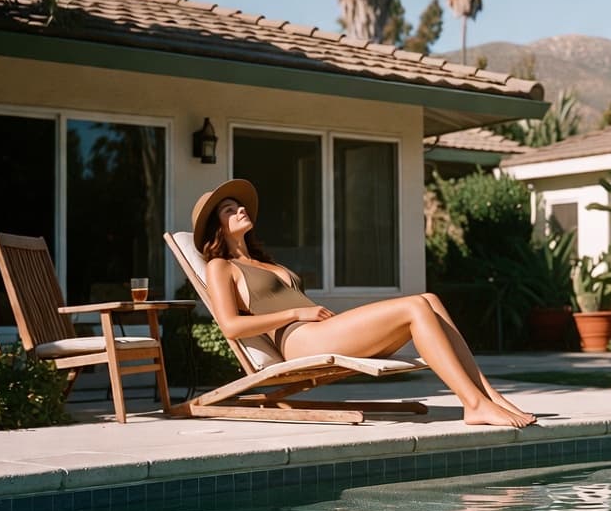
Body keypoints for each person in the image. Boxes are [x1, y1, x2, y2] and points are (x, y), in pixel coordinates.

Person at [192, 179, 535, 428]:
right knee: (415, 306)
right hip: (299, 340)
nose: (239, 210)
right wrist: (297, 311)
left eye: (240, 206)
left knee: (430, 299)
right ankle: (473, 404)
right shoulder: (220, 266)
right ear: (216, 227)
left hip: (320, 331)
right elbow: (230, 326)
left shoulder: (265, 262)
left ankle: (488, 395)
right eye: (228, 209)